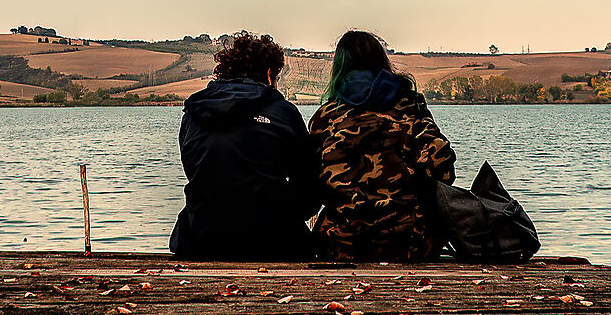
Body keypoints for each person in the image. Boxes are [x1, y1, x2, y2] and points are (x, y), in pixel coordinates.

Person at [168, 31, 317, 260]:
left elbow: (193, 169)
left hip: (199, 242)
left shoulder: (194, 112)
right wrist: (283, 214)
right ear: (269, 74)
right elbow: (309, 187)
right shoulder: (283, 112)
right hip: (273, 244)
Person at [310, 30, 455, 261]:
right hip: (413, 244)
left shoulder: (326, 117)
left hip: (343, 244)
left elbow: (311, 186)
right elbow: (442, 167)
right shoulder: (411, 108)